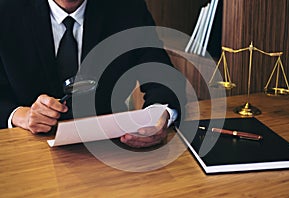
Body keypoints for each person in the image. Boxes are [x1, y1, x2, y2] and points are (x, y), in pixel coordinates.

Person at [0, 0, 184, 148]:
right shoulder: (6, 10)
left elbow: (161, 74)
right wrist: (20, 115)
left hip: (107, 145)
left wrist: (157, 116)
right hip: (27, 146)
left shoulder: (127, 7)